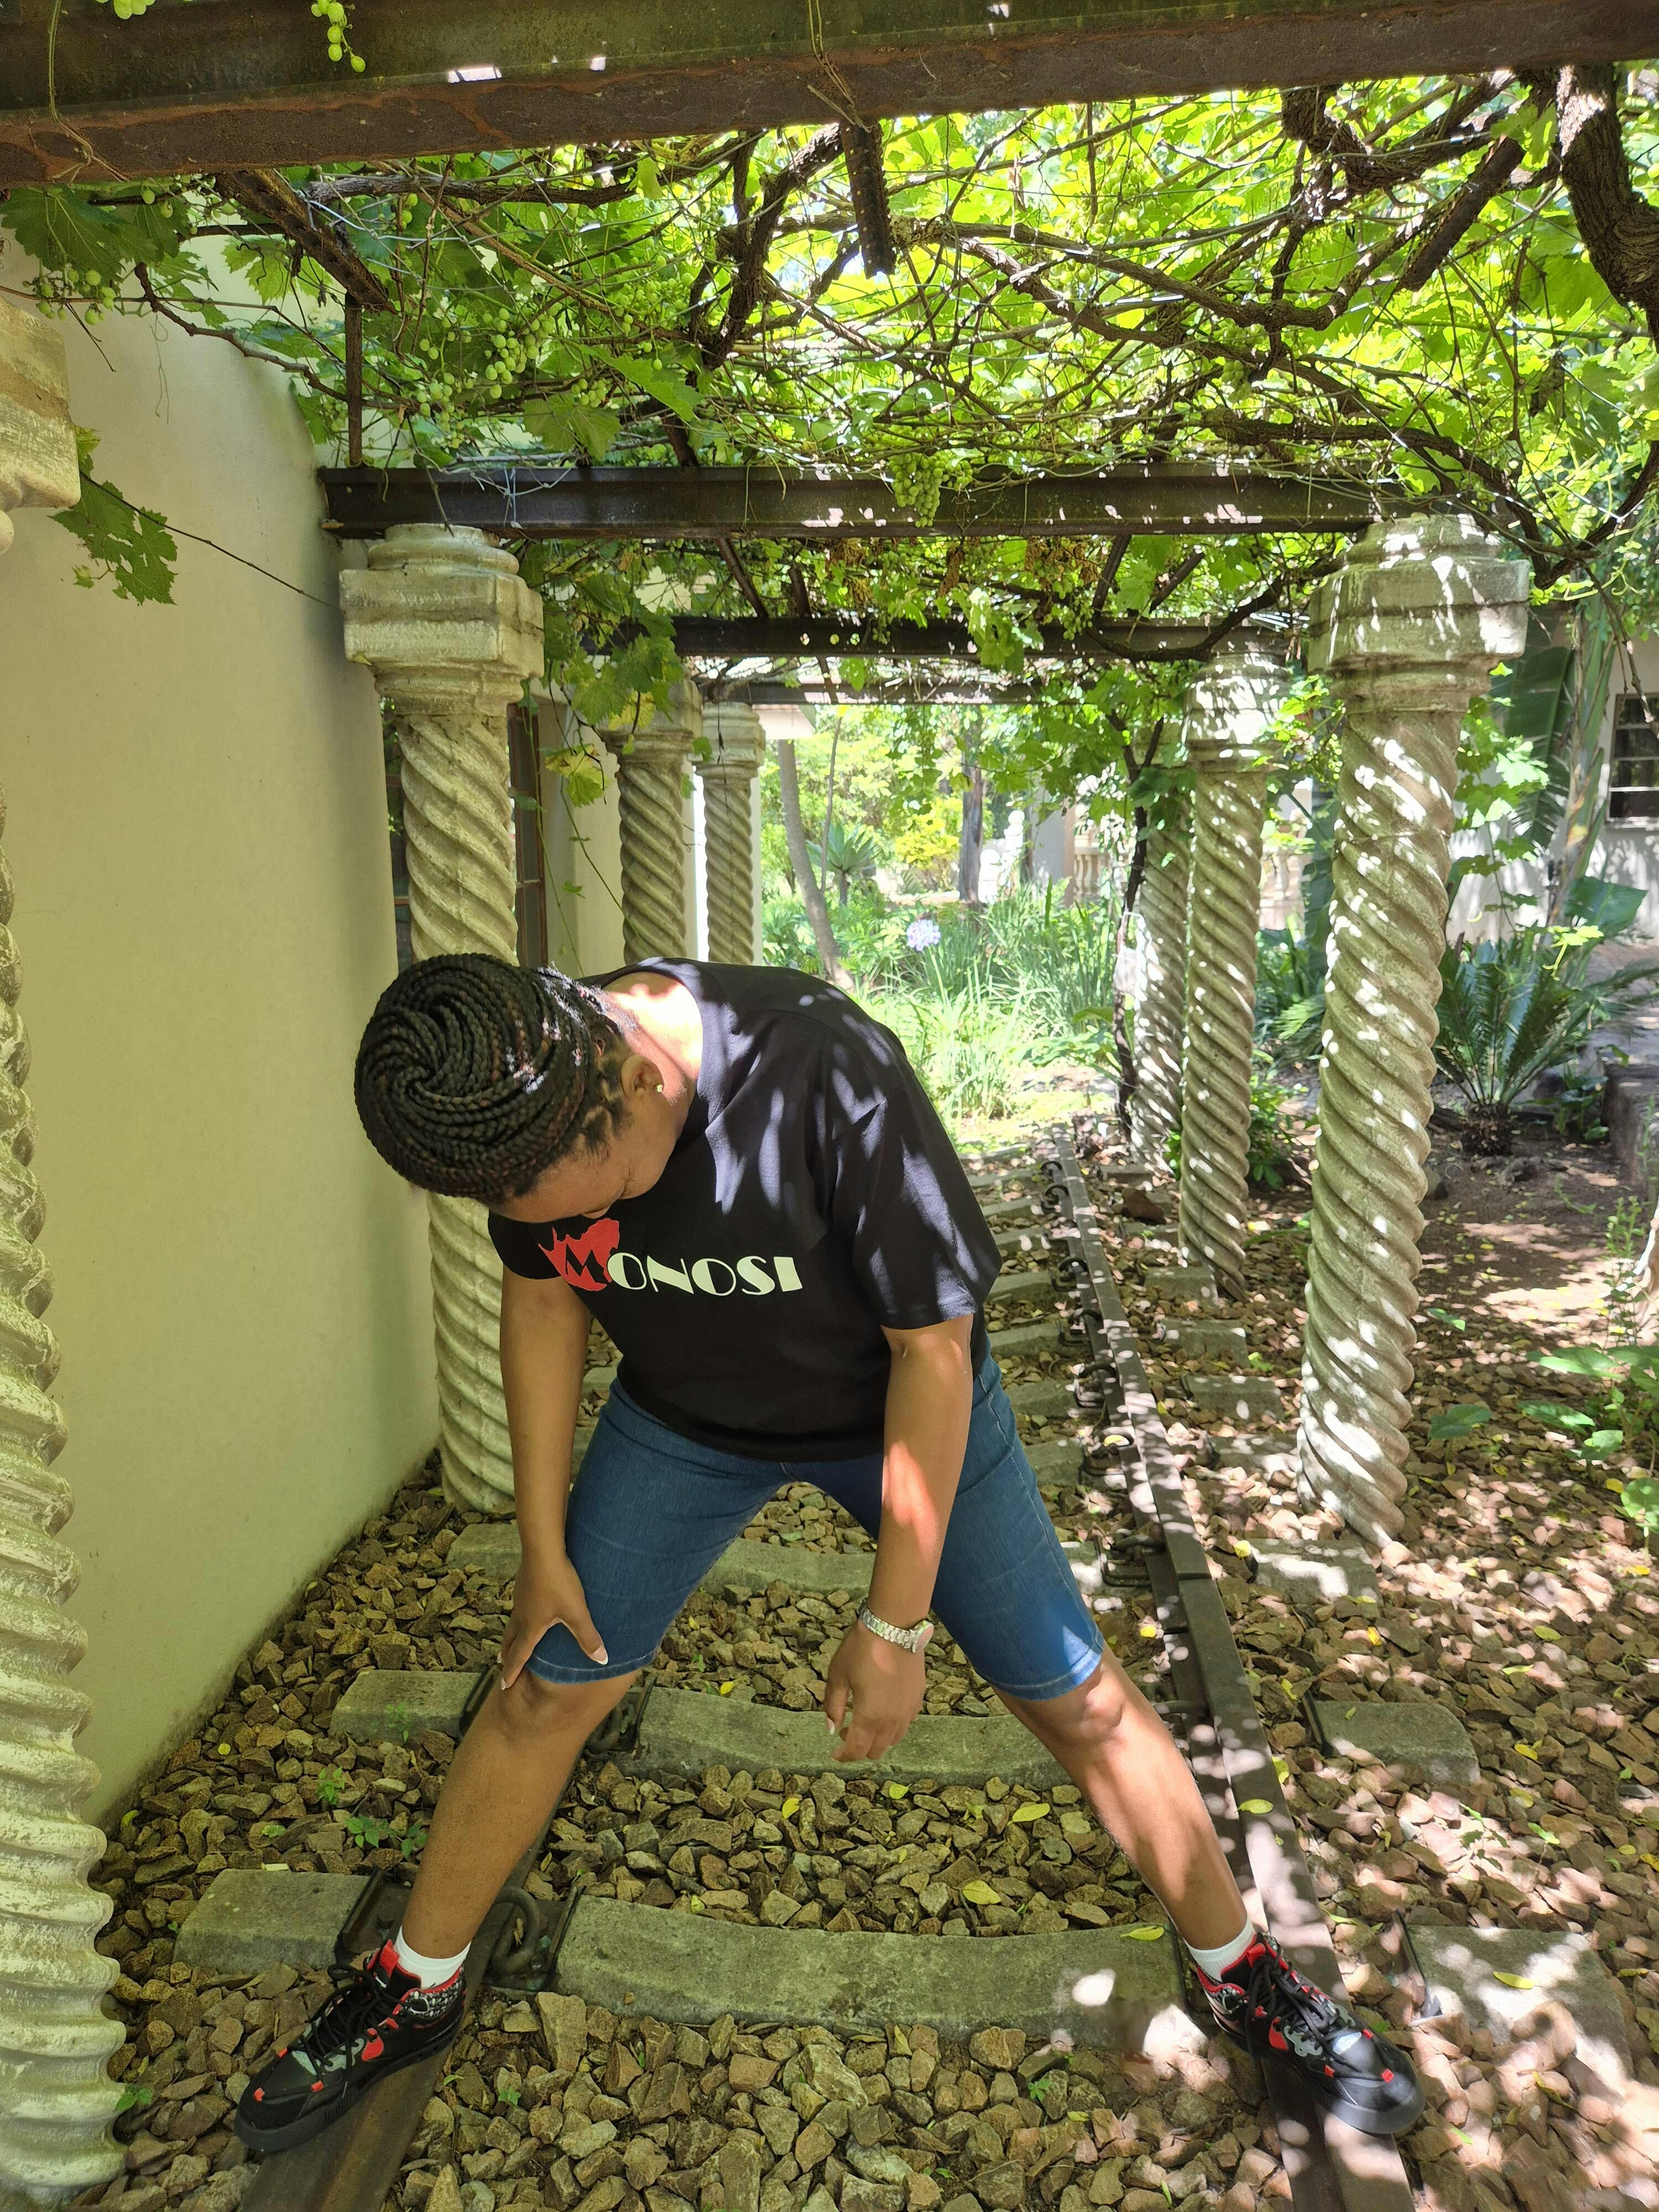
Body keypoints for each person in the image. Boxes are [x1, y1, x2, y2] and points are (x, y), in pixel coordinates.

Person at [234, 953, 1421, 2156]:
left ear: (639, 1082)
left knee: (1076, 1700)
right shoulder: (513, 1077)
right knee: (544, 1684)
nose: (559, 1234)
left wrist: (895, 1623)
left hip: (894, 1409)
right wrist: (542, 1547)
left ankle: (1244, 1972)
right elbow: (544, 1305)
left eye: (579, 1203)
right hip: (684, 1422)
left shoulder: (825, 1072)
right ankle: (415, 1980)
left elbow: (933, 1352)